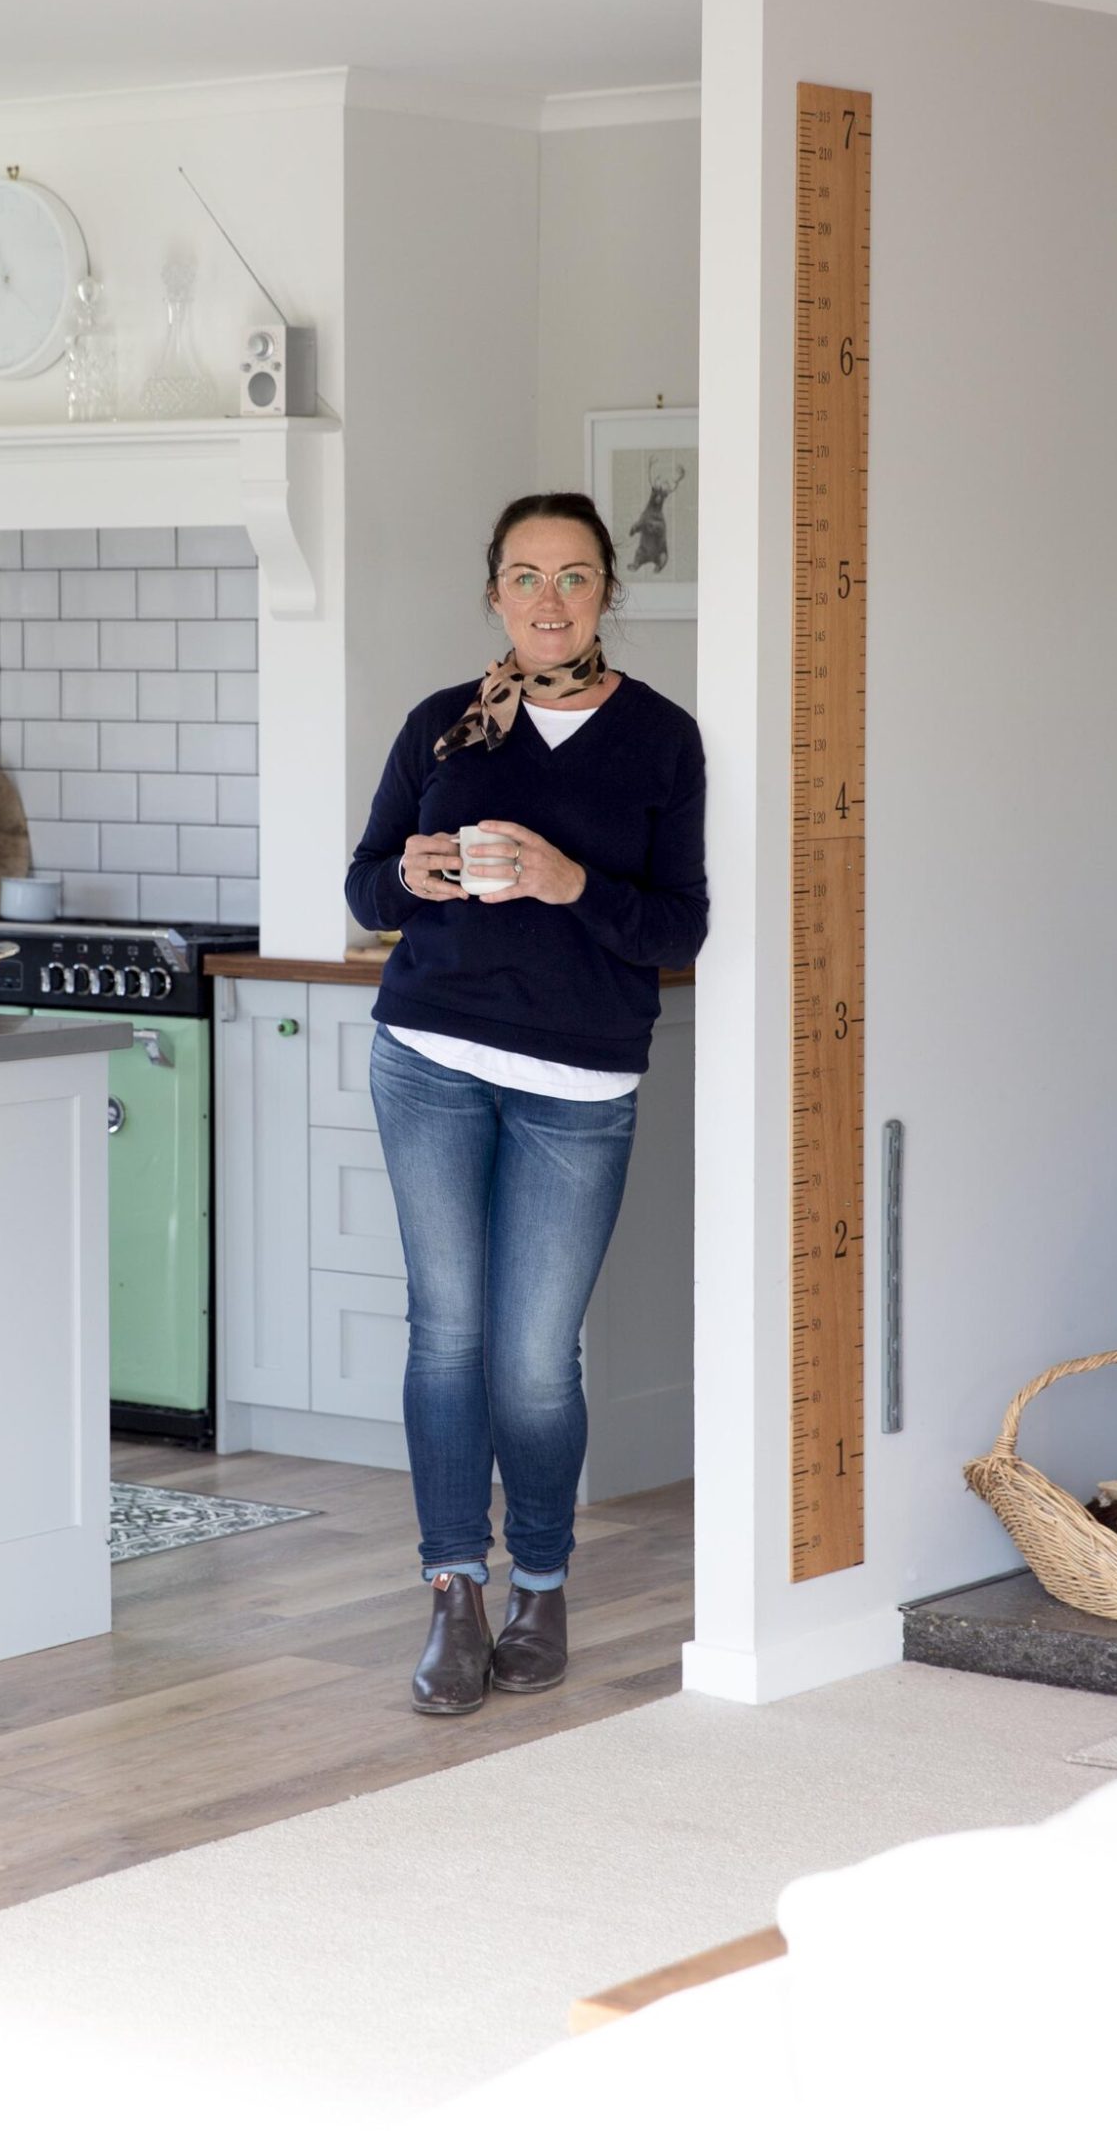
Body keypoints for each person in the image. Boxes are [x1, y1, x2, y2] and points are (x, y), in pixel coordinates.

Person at [344, 492, 708, 1716]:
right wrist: (410, 871)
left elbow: (678, 923)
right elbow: (365, 882)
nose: (547, 599)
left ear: (607, 591)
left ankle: (540, 1583)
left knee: (534, 1360)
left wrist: (567, 883)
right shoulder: (442, 728)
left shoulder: (661, 740)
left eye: (572, 576)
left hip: (576, 1079)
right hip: (429, 1053)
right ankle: (453, 1588)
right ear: (491, 592)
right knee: (444, 1333)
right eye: (523, 576)